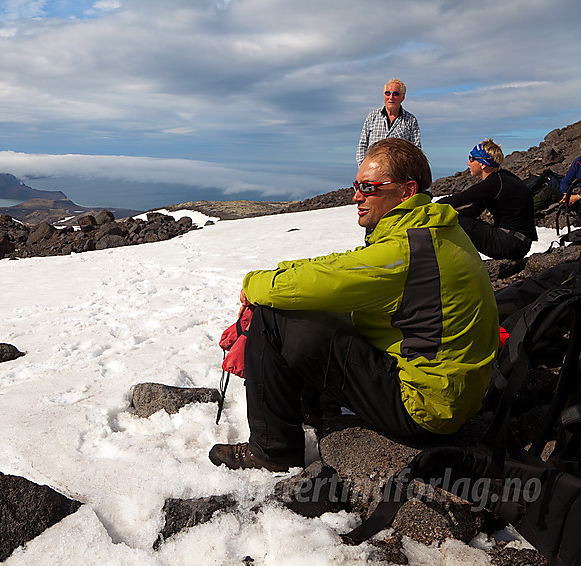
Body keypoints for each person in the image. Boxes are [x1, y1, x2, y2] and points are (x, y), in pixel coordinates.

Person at [209, 138, 498, 472]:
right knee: (317, 307)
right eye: (356, 185)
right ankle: (314, 408)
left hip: (424, 406)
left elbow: (322, 281)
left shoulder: (405, 251)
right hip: (451, 392)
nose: (356, 196)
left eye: (368, 186)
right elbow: (342, 266)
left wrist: (253, 284)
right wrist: (282, 271)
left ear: (406, 191)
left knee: (274, 316)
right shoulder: (430, 230)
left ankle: (272, 451)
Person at [437, 139, 537, 260]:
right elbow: (473, 211)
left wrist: (428, 210)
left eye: (472, 158)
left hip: (509, 244)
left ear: (483, 164)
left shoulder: (493, 184)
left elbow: (456, 200)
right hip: (518, 242)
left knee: (451, 220)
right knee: (454, 218)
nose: (468, 163)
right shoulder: (501, 179)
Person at [356, 78, 421, 165]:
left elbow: (416, 151)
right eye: (387, 93)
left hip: (398, 173)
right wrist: (363, 169)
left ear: (403, 97)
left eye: (395, 94)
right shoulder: (372, 117)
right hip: (373, 172)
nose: (391, 97)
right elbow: (362, 146)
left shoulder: (410, 121)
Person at [560, 140, 581, 206]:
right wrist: (566, 194)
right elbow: (565, 182)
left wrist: (578, 197)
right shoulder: (578, 163)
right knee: (549, 192)